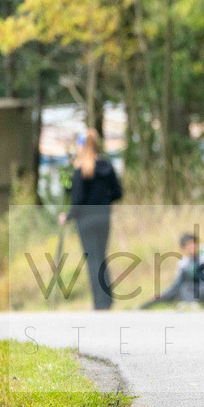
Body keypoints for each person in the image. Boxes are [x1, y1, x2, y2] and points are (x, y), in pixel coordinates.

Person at [58, 129, 122, 310]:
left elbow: (77, 201)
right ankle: (107, 301)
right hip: (103, 218)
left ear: (81, 146)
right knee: (102, 257)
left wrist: (67, 217)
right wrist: (104, 201)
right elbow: (118, 192)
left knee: (92, 259)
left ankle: (99, 303)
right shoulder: (107, 167)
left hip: (86, 221)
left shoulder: (80, 170)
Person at [141, 233, 204, 309]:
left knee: (186, 289)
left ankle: (193, 303)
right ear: (183, 248)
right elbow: (176, 285)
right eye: (188, 246)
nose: (192, 248)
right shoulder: (184, 263)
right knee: (179, 290)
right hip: (190, 291)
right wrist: (159, 296)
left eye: (193, 244)